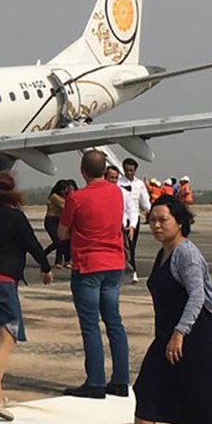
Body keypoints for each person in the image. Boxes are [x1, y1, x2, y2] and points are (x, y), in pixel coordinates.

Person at [108, 196, 212, 424]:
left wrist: (179, 333)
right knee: (147, 387)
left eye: (163, 220)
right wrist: (170, 335)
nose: (157, 226)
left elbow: (197, 296)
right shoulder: (164, 253)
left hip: (194, 338)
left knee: (208, 396)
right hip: (167, 336)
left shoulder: (187, 254)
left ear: (180, 222)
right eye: (153, 220)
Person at [0, 172, 53, 421]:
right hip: (2, 282)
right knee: (8, 338)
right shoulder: (15, 217)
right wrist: (46, 267)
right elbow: (32, 243)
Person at [59, 150, 130, 399]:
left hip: (88, 264)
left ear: (82, 171)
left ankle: (96, 381)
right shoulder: (117, 192)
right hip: (114, 263)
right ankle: (121, 380)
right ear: (104, 170)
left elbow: (62, 233)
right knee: (114, 323)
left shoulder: (77, 198)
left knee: (90, 325)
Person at [119, 159, 151, 284]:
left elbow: (145, 202)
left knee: (131, 247)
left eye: (131, 170)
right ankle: (125, 271)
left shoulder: (139, 184)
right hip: (121, 218)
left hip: (134, 219)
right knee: (122, 246)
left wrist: (151, 212)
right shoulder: (119, 183)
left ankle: (132, 271)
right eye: (127, 170)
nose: (129, 173)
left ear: (135, 170)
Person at [43, 180, 72, 268]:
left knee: (63, 240)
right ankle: (43, 254)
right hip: (52, 220)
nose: (65, 191)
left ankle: (59, 261)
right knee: (58, 241)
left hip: (59, 220)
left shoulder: (65, 197)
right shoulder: (55, 197)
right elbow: (64, 207)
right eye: (63, 189)